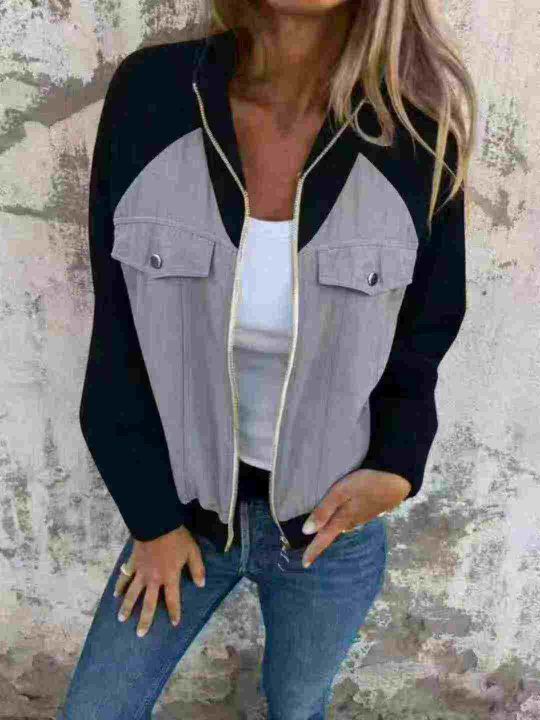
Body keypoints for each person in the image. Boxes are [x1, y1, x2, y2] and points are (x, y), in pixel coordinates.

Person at [56, 0, 476, 717]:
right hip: (181, 516)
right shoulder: (153, 97)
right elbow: (118, 333)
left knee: (297, 708)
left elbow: (424, 335)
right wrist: (151, 522)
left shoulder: (417, 140)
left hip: (327, 533)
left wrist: (397, 467)